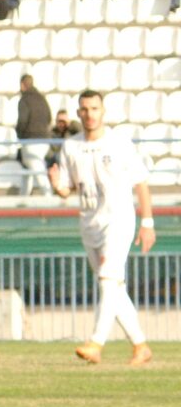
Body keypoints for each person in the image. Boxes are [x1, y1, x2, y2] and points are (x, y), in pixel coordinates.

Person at [48, 89, 154, 366]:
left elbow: (140, 181)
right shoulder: (71, 147)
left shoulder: (119, 143)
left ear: (103, 111)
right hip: (89, 221)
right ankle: (140, 346)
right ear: (78, 113)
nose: (89, 114)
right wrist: (57, 186)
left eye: (94, 108)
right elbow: (68, 188)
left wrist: (147, 223)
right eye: (84, 109)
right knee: (113, 287)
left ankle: (96, 343)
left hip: (118, 219)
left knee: (108, 279)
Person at [15, 75, 52, 196]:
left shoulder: (24, 100)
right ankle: (23, 198)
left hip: (30, 140)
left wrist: (19, 134)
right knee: (28, 170)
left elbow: (22, 121)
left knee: (37, 169)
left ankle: (48, 197)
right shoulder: (42, 99)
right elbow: (49, 118)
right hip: (45, 139)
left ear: (22, 85)